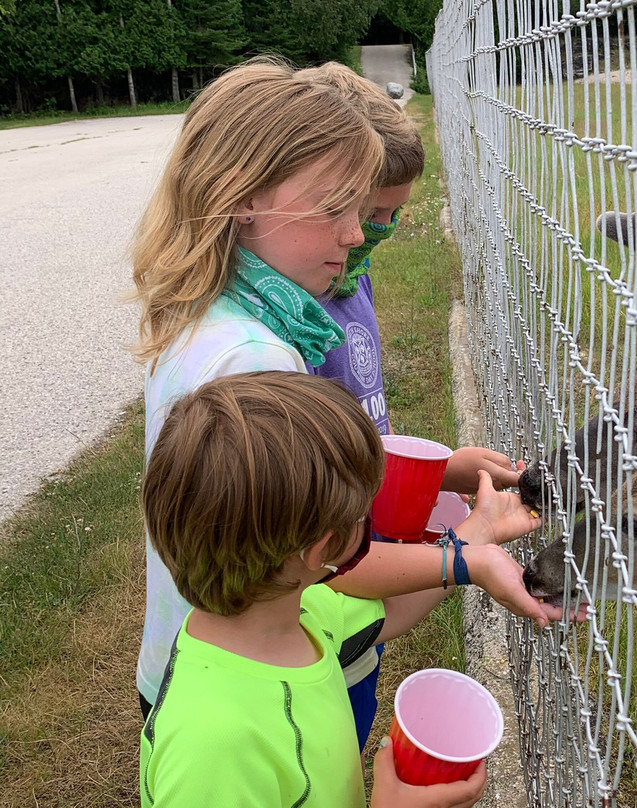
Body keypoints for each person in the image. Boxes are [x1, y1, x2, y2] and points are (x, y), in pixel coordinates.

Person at [130, 55, 567, 719]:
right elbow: (323, 560)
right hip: (258, 694)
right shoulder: (257, 365)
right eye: (336, 207)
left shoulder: (217, 314)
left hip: (204, 662)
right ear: (242, 194)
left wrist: (443, 484)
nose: (357, 233)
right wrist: (467, 550)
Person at [140, 370, 532, 807]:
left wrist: (478, 537)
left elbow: (392, 610)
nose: (370, 519)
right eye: (368, 509)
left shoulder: (302, 614)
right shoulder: (212, 746)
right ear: (323, 549)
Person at [292, 63, 526, 751]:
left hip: (341, 590)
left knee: (345, 723)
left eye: (394, 216)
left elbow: (359, 426)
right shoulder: (283, 328)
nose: (374, 234)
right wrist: (463, 555)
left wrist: (441, 470)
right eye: (367, 216)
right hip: (308, 591)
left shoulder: (346, 281)